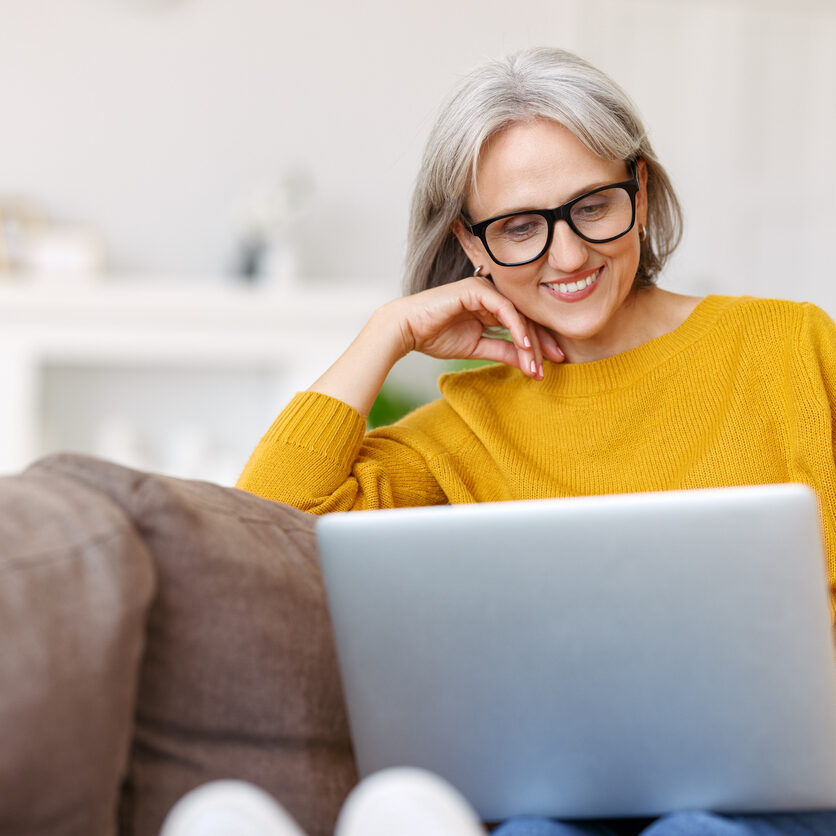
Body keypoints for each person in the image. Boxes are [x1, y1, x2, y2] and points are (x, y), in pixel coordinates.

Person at [237, 47, 836, 835]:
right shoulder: (456, 431)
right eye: (520, 226)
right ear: (473, 243)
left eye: (592, 205)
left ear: (642, 191)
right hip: (552, 799)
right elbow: (264, 521)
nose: (568, 255)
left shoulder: (789, 345)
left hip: (775, 794)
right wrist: (387, 332)